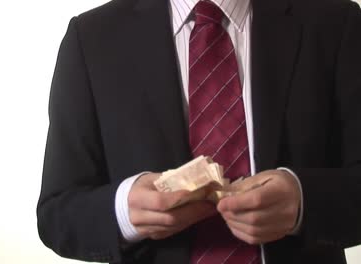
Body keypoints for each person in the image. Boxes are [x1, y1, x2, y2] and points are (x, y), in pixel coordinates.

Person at [36, 0, 361, 263]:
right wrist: (125, 210)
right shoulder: (92, 38)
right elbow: (57, 214)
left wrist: (304, 201)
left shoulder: (337, 23)